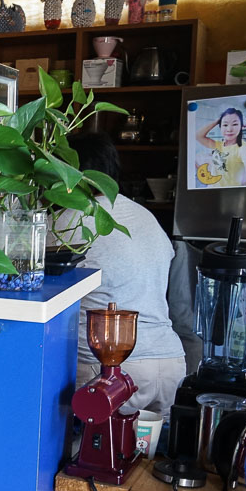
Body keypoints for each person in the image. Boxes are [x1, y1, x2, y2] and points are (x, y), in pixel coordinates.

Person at [67, 133, 186, 416]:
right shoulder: (145, 215)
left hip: (110, 367)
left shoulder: (69, 222)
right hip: (169, 361)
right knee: (149, 456)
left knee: (94, 453)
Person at [194, 107, 246, 186]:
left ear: (241, 126)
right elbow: (198, 136)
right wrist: (217, 121)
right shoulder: (218, 145)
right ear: (220, 127)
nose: (229, 129)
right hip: (211, 188)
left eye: (235, 124)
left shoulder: (245, 148)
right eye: (225, 125)